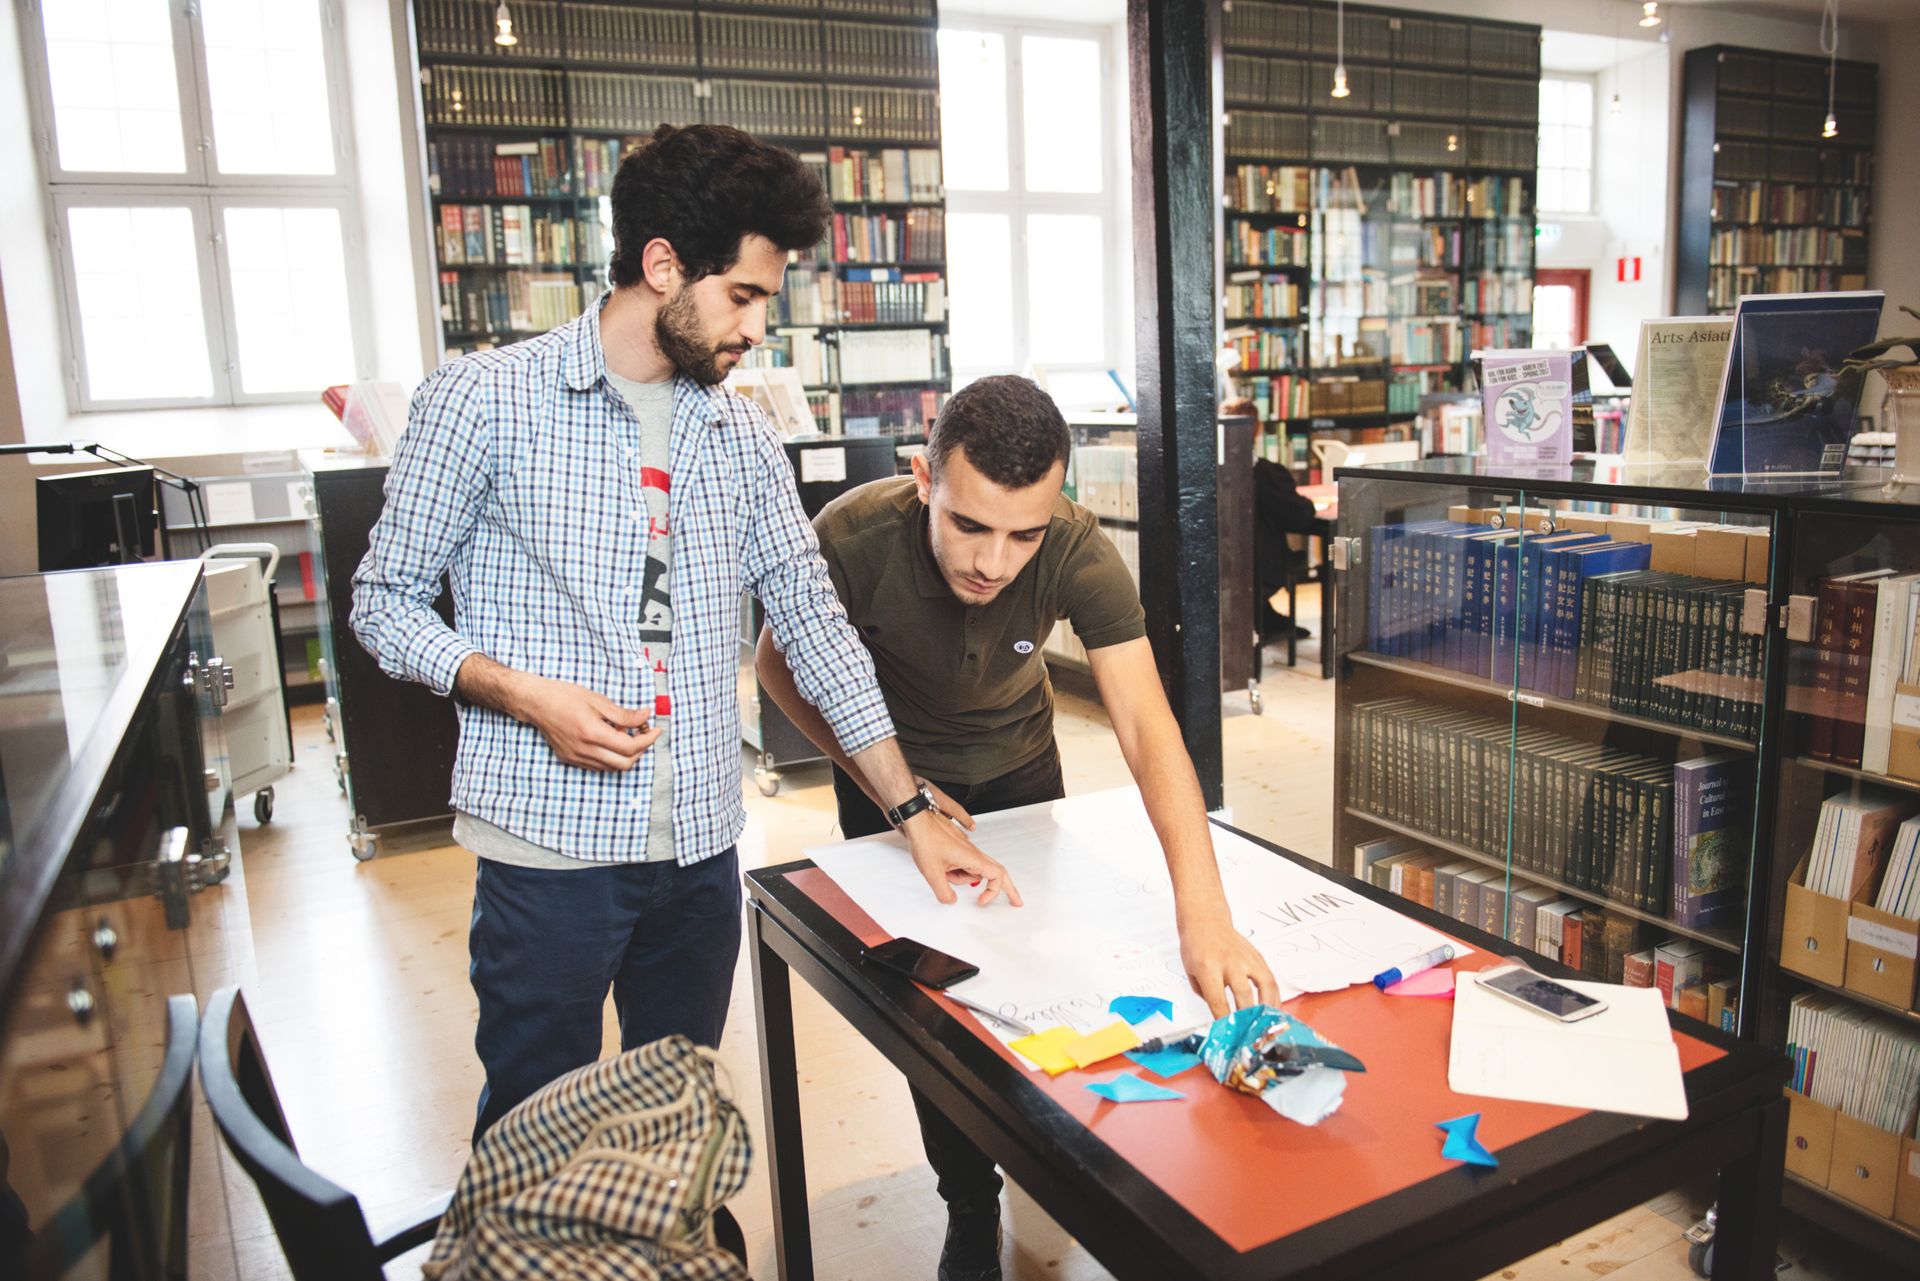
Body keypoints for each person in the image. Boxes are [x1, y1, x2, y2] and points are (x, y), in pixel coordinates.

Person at [351, 124, 1018, 1147]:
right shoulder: (484, 401)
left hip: (701, 857)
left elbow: (813, 622)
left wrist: (911, 805)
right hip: (546, 852)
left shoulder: (741, 433)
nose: (758, 328)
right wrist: (524, 694)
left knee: (673, 1134)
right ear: (663, 264)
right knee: (539, 1147)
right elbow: (383, 601)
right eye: (744, 296)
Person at [754, 374, 1278, 1281]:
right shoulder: (848, 534)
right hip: (888, 783)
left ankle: (1046, 1149)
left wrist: (1206, 910)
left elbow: (1151, 731)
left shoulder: (1076, 548)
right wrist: (894, 791)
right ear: (925, 478)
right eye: (970, 525)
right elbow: (776, 668)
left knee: (1038, 973)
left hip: (1023, 774)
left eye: (1022, 534)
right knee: (935, 1005)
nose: (994, 561)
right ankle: (969, 1198)